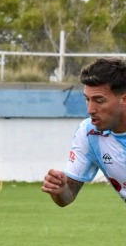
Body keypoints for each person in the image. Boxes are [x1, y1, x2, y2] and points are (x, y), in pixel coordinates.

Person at [42, 57, 126, 206]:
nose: (90, 110)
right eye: (87, 99)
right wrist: (60, 189)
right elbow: (68, 194)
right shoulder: (89, 133)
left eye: (99, 100)